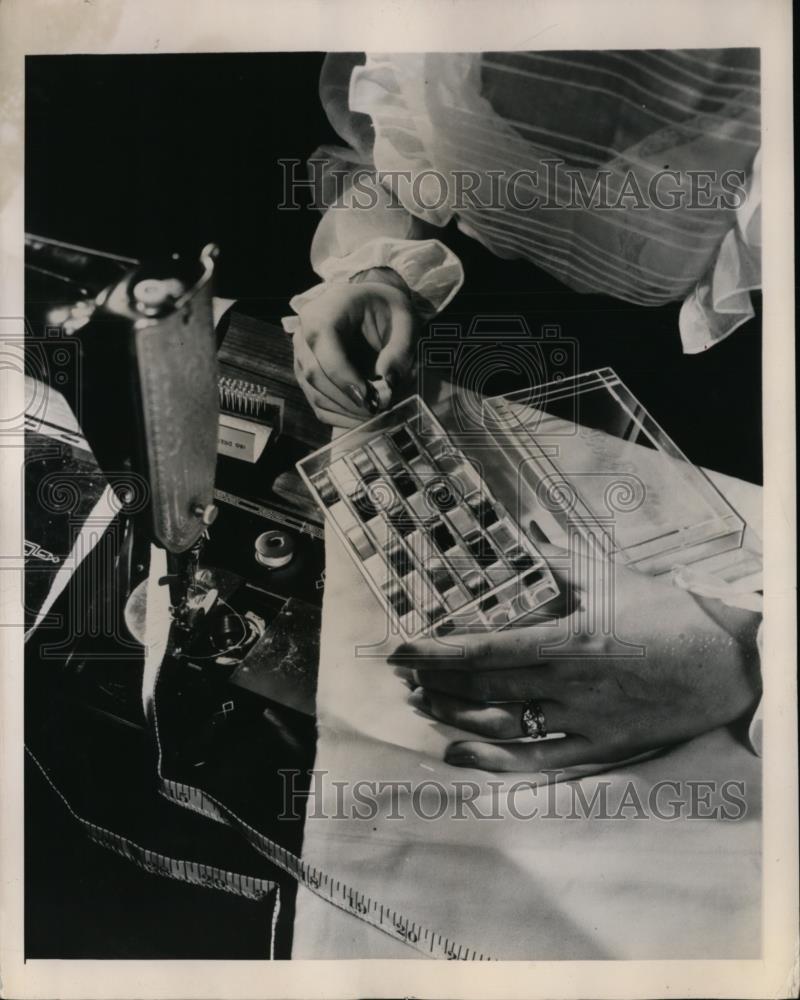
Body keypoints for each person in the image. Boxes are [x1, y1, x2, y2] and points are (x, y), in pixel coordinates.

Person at [283, 51, 763, 773]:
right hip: (460, 344)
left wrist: (747, 647)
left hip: (734, 400)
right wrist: (375, 265)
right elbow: (378, 149)